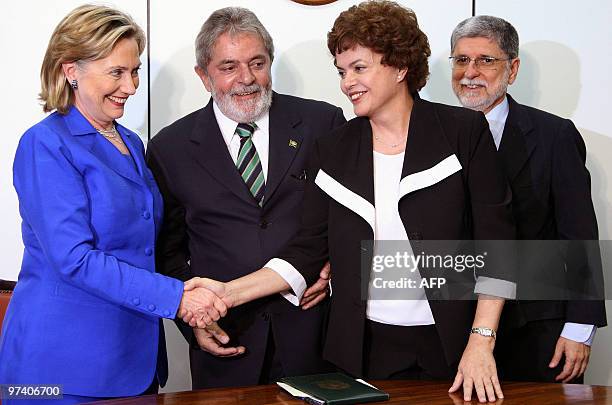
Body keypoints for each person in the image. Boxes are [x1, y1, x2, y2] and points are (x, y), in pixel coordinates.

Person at [185, 1, 518, 402]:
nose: (347, 83)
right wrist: (224, 295)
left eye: (359, 68)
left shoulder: (463, 132)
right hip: (361, 349)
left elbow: (498, 245)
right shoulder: (333, 147)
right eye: (342, 72)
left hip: (454, 343)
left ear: (399, 66)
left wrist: (481, 343)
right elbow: (307, 249)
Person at [0, 5, 225, 404]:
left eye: (134, 70)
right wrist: (178, 299)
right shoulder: (45, 144)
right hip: (62, 367)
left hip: (133, 358)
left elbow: (143, 245)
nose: (132, 86)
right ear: (71, 70)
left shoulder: (131, 143)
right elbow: (74, 258)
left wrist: (191, 307)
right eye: (116, 72)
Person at [146, 7, 346, 389]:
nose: (247, 79)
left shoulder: (323, 123)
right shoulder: (169, 148)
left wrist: (336, 265)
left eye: (258, 62)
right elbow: (167, 252)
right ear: (203, 76)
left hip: (315, 337)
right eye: (229, 67)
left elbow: (350, 217)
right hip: (227, 342)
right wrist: (194, 322)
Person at [449, 15, 607, 383]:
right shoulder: (433, 134)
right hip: (455, 326)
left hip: (538, 328)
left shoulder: (554, 136)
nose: (470, 72)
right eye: (461, 60)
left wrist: (580, 325)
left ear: (513, 68)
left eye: (486, 60)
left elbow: (578, 235)